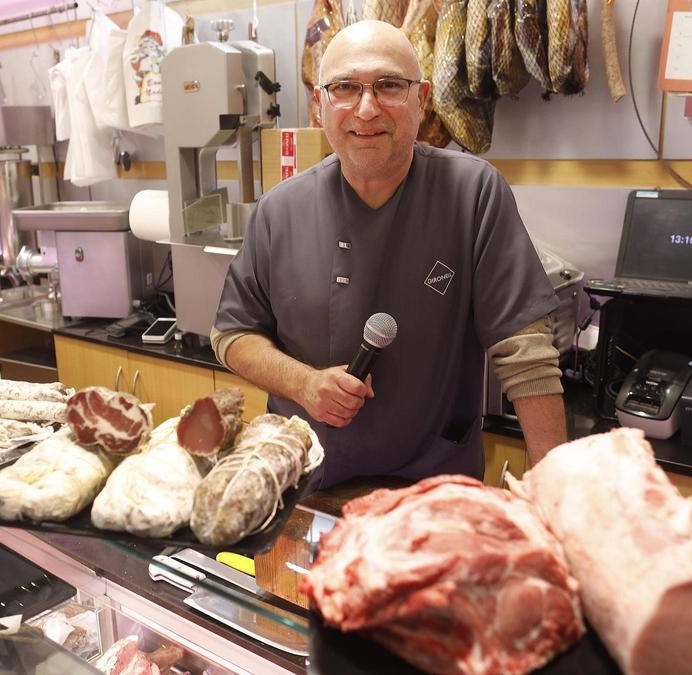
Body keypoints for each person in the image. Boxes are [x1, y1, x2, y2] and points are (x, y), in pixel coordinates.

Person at [211, 20, 567, 490]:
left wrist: (555, 491)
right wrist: (303, 384)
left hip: (434, 490)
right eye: (345, 88)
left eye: (389, 86)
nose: (366, 108)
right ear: (320, 106)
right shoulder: (280, 209)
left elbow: (526, 353)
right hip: (306, 484)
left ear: (421, 100)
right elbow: (233, 335)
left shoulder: (473, 192)